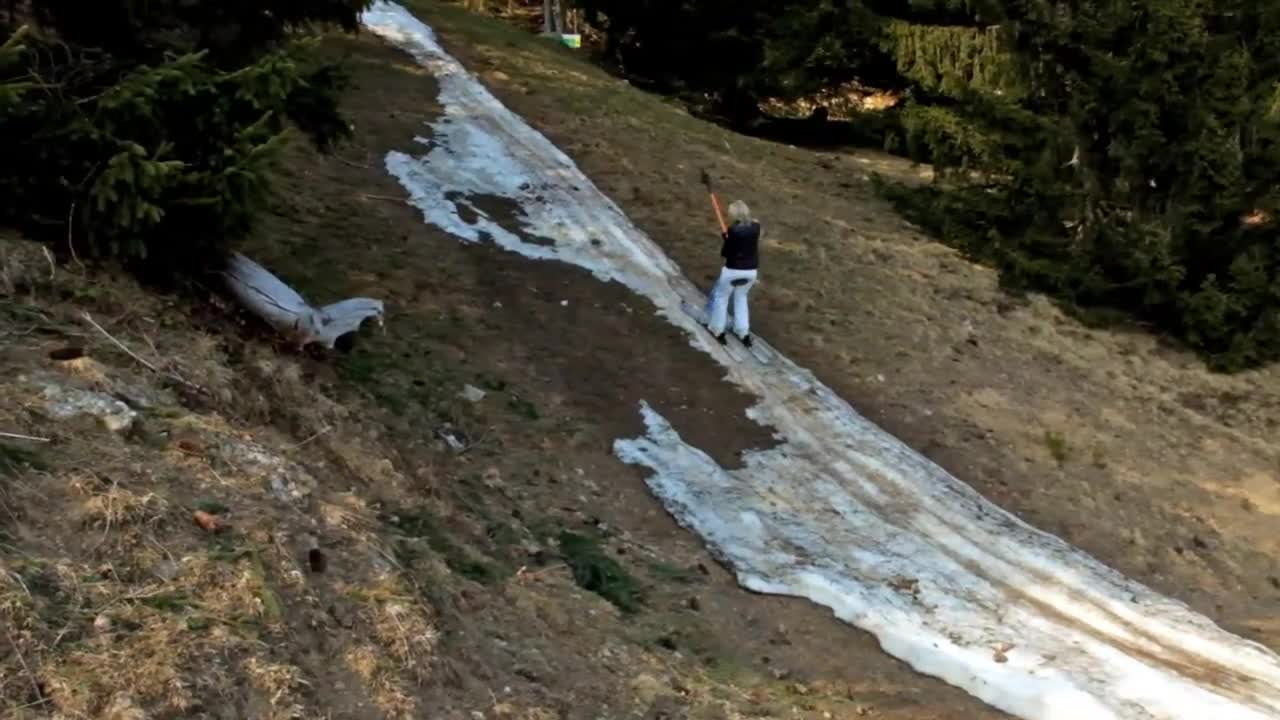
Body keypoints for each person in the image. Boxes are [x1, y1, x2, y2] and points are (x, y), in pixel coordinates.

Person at [707, 200, 760, 347]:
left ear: (734, 214)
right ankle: (743, 332)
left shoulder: (733, 230)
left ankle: (717, 330)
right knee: (741, 297)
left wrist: (726, 240)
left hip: (733, 270)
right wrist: (729, 240)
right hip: (750, 272)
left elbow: (726, 253)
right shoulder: (756, 227)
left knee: (721, 297)